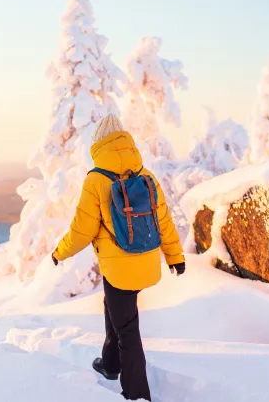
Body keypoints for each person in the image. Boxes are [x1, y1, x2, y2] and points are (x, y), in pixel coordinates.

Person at [51, 114, 185, 402]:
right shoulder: (145, 175)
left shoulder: (97, 179)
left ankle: (138, 395)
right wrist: (175, 257)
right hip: (147, 260)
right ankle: (110, 365)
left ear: (99, 144)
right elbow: (164, 220)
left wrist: (59, 252)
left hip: (118, 266)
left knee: (127, 331)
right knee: (114, 308)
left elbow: (81, 230)